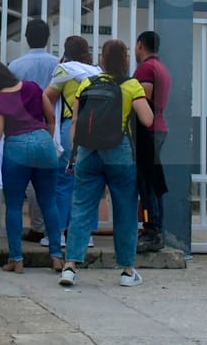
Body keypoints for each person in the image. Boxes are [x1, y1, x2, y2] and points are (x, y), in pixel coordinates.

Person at [59, 40, 153, 288]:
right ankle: (127, 271)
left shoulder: (88, 83)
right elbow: (147, 119)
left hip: (88, 153)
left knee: (80, 208)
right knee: (124, 212)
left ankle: (70, 267)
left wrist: (75, 155)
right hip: (119, 154)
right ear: (125, 60)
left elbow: (76, 121)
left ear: (102, 59)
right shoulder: (131, 85)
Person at [0, 60, 64, 274]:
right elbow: (51, 115)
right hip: (44, 144)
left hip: (17, 148)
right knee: (49, 201)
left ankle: (16, 259)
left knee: (15, 205)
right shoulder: (33, 87)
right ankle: (56, 256)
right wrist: (47, 135)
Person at [43, 36, 101, 246]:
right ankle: (86, 235)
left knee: (63, 181)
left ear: (66, 53)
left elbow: (46, 97)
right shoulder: (97, 71)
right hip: (96, 131)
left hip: (71, 127)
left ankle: (58, 233)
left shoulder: (64, 71)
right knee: (88, 181)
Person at [7, 19, 59, 244]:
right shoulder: (58, 64)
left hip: (20, 129)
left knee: (21, 189)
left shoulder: (15, 66)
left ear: (26, 38)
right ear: (48, 38)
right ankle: (53, 238)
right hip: (49, 128)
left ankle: (33, 230)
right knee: (50, 187)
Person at [134, 31, 172, 253]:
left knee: (147, 185)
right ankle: (154, 229)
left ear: (140, 45)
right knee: (154, 183)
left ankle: (152, 231)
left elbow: (144, 101)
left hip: (148, 131)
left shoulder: (146, 69)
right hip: (158, 128)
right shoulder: (161, 68)